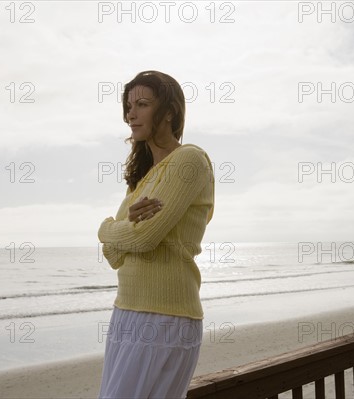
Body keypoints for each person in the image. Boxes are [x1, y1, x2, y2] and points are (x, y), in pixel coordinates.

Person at [97, 70, 215, 398]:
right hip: (126, 312)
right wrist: (117, 232)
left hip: (164, 316)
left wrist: (105, 228)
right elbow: (114, 255)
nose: (130, 114)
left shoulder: (189, 160)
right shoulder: (143, 181)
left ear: (169, 112)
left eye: (143, 104)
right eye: (128, 106)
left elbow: (145, 239)